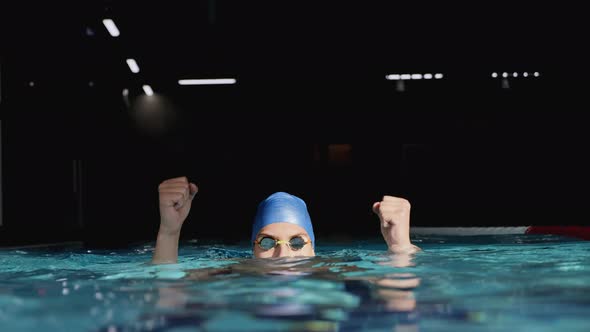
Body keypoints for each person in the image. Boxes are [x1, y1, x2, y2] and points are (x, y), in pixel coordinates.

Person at [152, 176, 420, 264]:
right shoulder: (235, 270)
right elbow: (167, 297)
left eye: (296, 242)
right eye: (267, 242)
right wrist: (169, 232)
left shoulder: (332, 271)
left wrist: (400, 247)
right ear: (252, 249)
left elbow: (398, 297)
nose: (282, 253)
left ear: (313, 248)